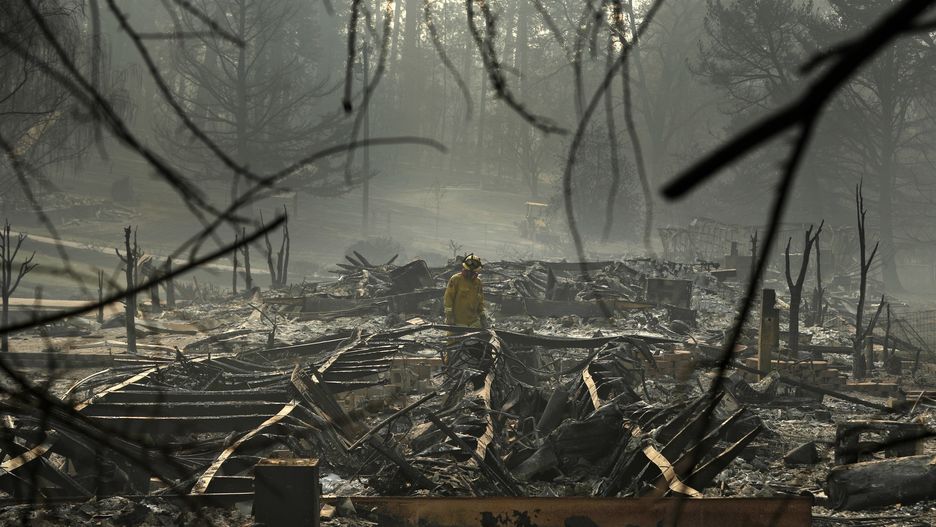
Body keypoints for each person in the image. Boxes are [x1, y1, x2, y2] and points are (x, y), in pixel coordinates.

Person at [443, 253, 487, 329]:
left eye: (473, 272)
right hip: (457, 322)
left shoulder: (478, 282)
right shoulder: (455, 279)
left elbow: (480, 302)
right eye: (468, 271)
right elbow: (448, 299)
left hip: (473, 322)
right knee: (455, 336)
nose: (470, 273)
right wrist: (449, 316)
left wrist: (483, 317)